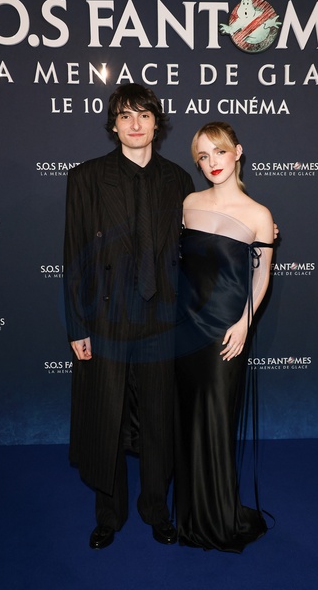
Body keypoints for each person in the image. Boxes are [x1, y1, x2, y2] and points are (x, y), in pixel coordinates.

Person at [63, 83, 194, 550]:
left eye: (144, 115)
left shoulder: (179, 179)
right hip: (106, 318)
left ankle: (156, 509)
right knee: (107, 418)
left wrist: (253, 236)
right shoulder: (85, 178)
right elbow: (74, 255)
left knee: (160, 418)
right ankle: (109, 514)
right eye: (125, 116)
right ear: (114, 125)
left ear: (157, 123)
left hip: (162, 318)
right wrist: (77, 325)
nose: (135, 124)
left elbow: (197, 244)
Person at [174, 121, 274, 553]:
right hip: (185, 327)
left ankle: (217, 515)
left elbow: (262, 276)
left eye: (218, 151)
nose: (212, 162)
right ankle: (192, 514)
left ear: (237, 151)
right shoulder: (189, 204)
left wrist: (244, 322)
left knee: (216, 419)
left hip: (226, 330)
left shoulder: (259, 214)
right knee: (187, 418)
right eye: (202, 156)